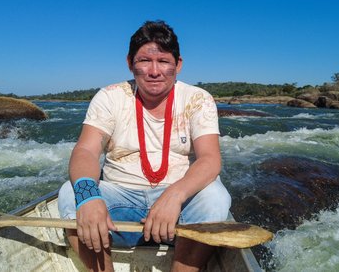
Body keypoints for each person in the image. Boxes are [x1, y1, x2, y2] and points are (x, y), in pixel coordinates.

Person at [58, 20, 231, 272]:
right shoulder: (110, 96)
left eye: (163, 61)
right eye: (144, 61)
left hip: (178, 208)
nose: (154, 71)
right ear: (130, 63)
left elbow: (210, 159)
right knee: (70, 193)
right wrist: (89, 195)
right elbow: (86, 150)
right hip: (120, 203)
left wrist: (175, 195)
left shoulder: (198, 99)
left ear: (178, 65)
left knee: (216, 197)